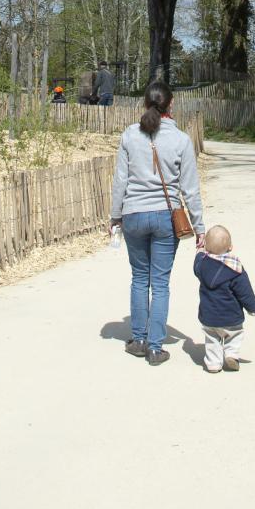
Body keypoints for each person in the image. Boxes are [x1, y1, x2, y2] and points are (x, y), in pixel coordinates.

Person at [108, 81, 203, 365]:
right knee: (160, 282)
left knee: (139, 277)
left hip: (133, 214)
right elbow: (190, 189)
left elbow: (120, 181)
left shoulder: (129, 135)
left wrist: (115, 216)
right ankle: (155, 346)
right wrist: (199, 227)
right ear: (170, 105)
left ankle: (137, 339)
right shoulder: (182, 140)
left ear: (144, 104)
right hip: (165, 215)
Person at [193, 225, 255, 374]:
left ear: (207, 248)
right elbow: (245, 292)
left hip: (209, 317)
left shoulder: (202, 265)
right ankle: (231, 354)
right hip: (231, 316)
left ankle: (213, 364)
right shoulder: (236, 269)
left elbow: (196, 262)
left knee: (212, 339)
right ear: (230, 247)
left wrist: (200, 251)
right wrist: (253, 308)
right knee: (234, 335)